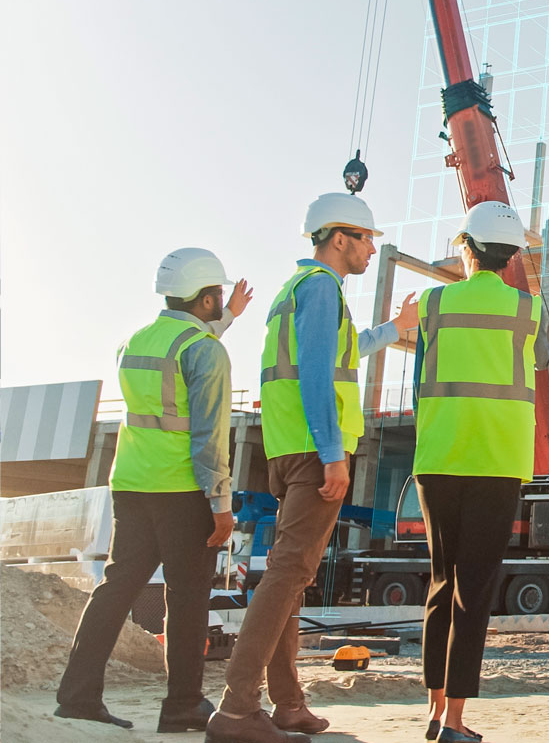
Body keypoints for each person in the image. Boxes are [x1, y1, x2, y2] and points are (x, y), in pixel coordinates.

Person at [205, 192, 418, 743]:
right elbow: (319, 376)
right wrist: (332, 455)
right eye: (366, 238)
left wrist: (394, 328)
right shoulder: (323, 289)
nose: (373, 248)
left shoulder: (296, 290)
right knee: (288, 575)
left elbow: (338, 355)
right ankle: (235, 709)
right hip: (313, 450)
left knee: (287, 577)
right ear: (339, 238)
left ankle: (288, 704)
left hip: (286, 448)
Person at [56, 248, 253, 733]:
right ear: (206, 297)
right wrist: (221, 504)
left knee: (116, 586)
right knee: (187, 597)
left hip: (131, 485)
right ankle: (183, 704)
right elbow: (209, 436)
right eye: (219, 296)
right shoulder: (206, 351)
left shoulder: (134, 341)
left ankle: (77, 697)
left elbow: (179, 356)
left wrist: (228, 318)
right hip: (182, 489)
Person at [412, 202, 549, 743]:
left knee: (441, 584)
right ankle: (456, 724)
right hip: (496, 463)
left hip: (440, 459)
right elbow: (540, 363)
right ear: (514, 255)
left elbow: (425, 365)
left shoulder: (433, 303)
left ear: (465, 247)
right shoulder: (530, 309)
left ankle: (433, 710)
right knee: (474, 588)